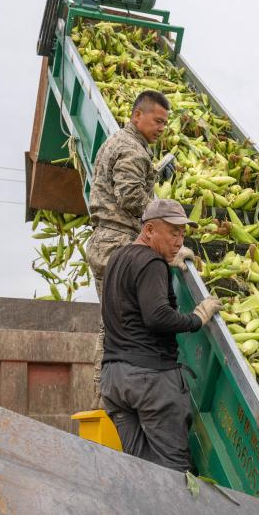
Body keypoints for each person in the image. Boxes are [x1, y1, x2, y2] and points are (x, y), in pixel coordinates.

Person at [99, 199, 221, 472]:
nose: (178, 241)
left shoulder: (119, 257)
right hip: (149, 380)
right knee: (172, 471)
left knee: (141, 469)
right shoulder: (151, 262)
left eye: (182, 234)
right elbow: (156, 315)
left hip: (115, 381)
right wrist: (197, 318)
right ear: (150, 230)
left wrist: (166, 263)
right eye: (172, 233)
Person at [86, 90, 192, 401]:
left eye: (165, 123)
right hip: (118, 241)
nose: (162, 127)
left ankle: (110, 399)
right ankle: (106, 401)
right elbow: (131, 198)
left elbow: (129, 186)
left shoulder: (126, 144)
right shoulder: (132, 149)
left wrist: (155, 173)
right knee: (116, 330)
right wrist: (166, 228)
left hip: (109, 241)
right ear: (137, 116)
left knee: (116, 327)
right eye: (157, 121)